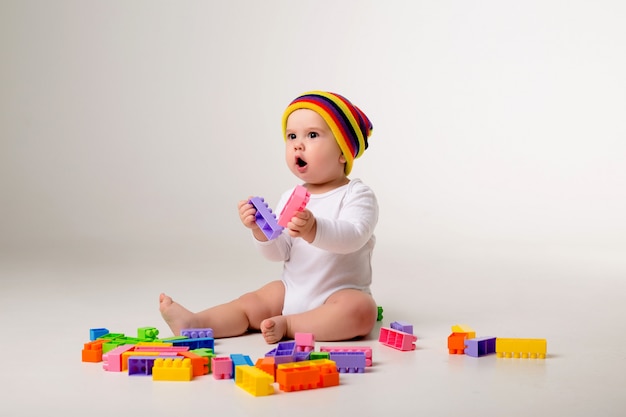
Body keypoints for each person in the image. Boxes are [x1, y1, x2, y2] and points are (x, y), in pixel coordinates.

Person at [159, 91, 379, 344]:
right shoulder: (290, 196)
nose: (298, 144)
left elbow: (354, 237)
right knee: (253, 301)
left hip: (338, 295)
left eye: (312, 135)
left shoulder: (357, 194)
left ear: (343, 152)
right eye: (292, 136)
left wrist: (314, 228)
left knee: (362, 311)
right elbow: (280, 252)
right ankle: (196, 323)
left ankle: (289, 325)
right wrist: (260, 231)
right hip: (292, 291)